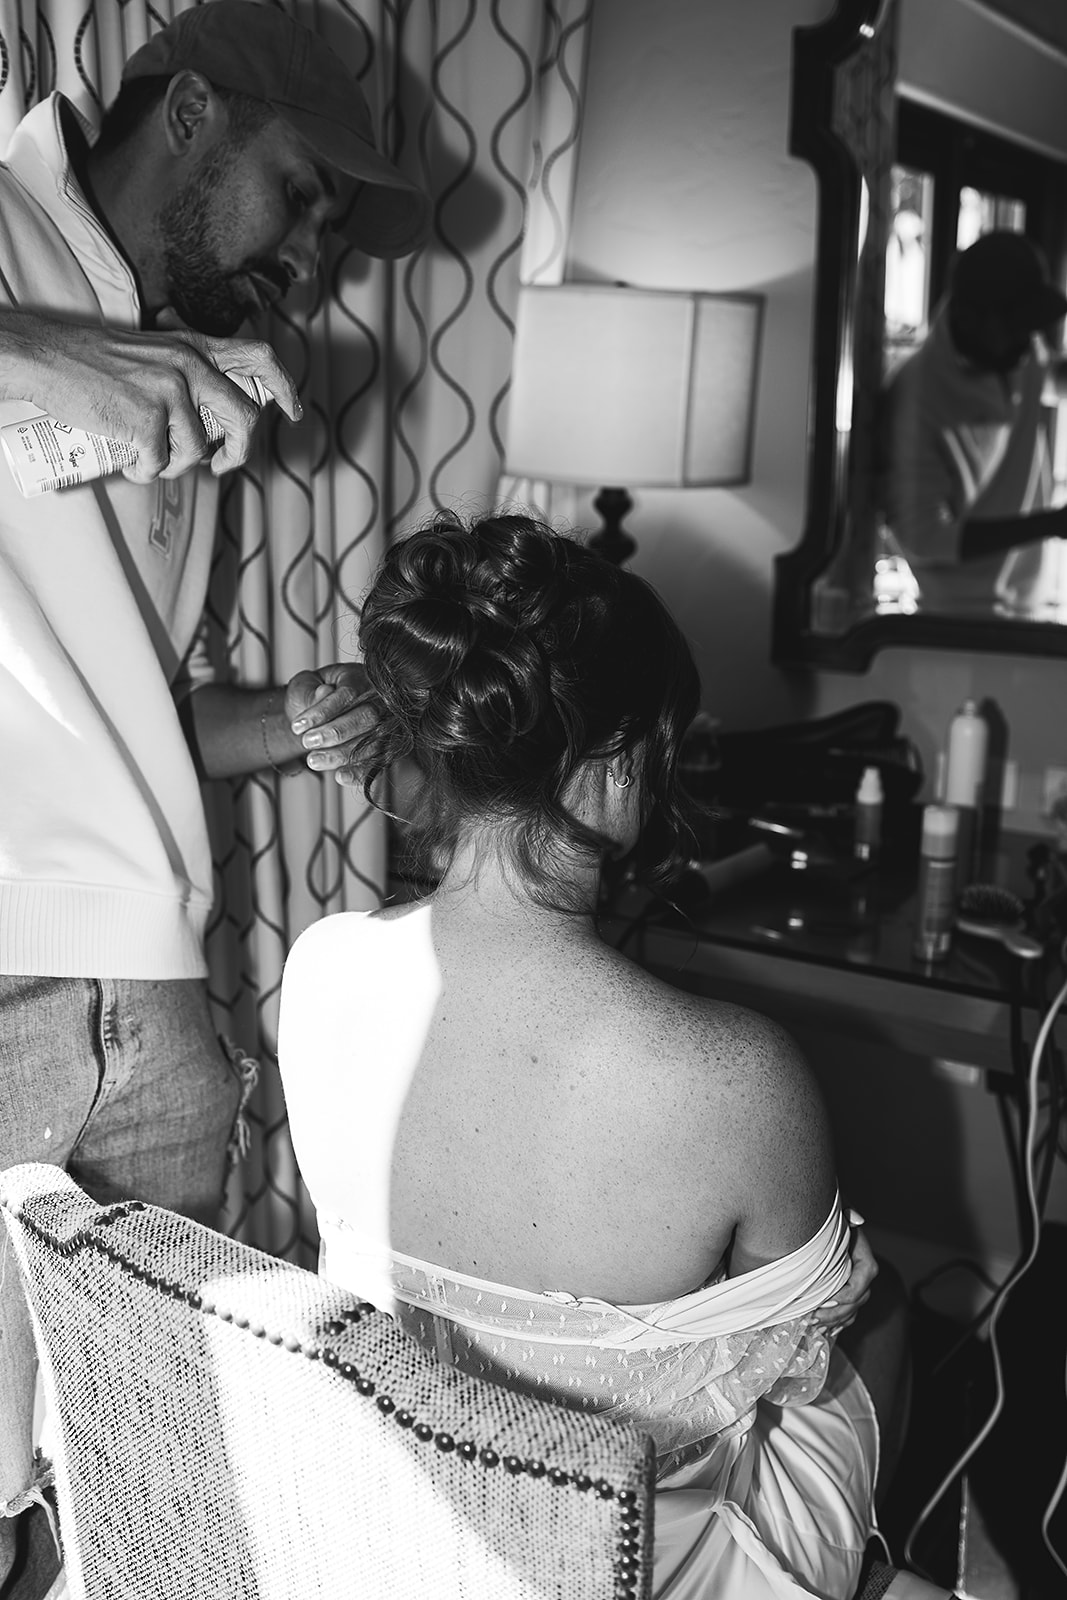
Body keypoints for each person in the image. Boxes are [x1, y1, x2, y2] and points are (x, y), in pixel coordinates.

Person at [277, 512, 953, 1600]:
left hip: (407, 1517)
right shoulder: (733, 1073)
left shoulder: (315, 968)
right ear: (611, 767)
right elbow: (805, 1343)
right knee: (884, 1305)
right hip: (638, 1561)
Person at [0, 5, 430, 1596]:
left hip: (162, 1008)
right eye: (302, 189)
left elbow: (144, 705)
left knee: (133, 1511)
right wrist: (48, 354)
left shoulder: (190, 374)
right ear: (188, 112)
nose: (311, 254)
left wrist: (292, 723)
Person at [877, 229, 1067, 613]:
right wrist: (1051, 524)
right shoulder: (918, 396)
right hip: (962, 619)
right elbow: (923, 537)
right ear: (970, 315)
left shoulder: (1015, 349)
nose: (1028, 337)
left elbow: (1049, 376)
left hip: (1029, 599)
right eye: (1016, 325)